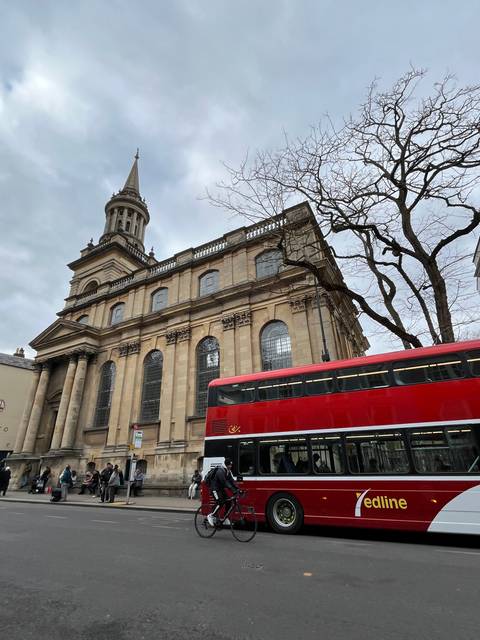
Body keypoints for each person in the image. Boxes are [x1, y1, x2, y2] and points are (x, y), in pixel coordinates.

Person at [207, 458, 240, 526]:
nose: (231, 466)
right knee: (220, 502)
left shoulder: (228, 471)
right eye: (230, 465)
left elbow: (232, 481)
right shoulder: (220, 471)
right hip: (214, 489)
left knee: (229, 502)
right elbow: (224, 482)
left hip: (221, 489)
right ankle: (211, 515)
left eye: (231, 465)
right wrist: (233, 490)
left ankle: (224, 518)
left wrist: (238, 489)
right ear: (226, 465)